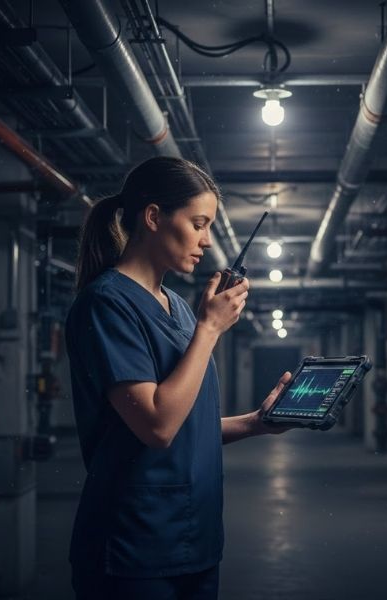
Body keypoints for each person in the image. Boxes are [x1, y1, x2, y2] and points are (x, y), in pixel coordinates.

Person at [64, 156, 292, 600]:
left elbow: (188, 420)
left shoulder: (179, 306)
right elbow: (157, 424)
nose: (207, 241)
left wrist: (254, 423)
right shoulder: (106, 304)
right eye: (199, 223)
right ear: (153, 217)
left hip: (195, 537)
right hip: (134, 545)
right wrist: (209, 330)